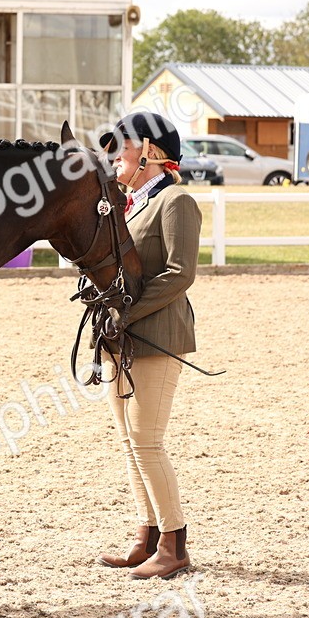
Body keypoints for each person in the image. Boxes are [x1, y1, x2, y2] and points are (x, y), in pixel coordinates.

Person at [94, 112, 202, 580]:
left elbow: (180, 273)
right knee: (128, 441)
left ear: (152, 153)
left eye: (123, 144)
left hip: (156, 335)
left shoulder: (176, 202)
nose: (115, 154)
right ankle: (148, 535)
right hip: (118, 336)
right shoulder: (124, 204)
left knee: (146, 439)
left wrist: (126, 313)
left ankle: (174, 544)